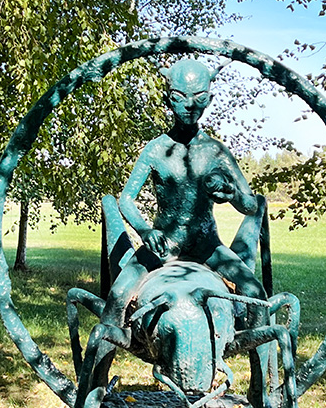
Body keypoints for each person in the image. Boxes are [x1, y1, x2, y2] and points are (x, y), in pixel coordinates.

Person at [102, 58, 268, 325]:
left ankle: (257, 351)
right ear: (167, 100)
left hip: (208, 247)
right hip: (162, 247)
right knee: (118, 295)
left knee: (255, 293)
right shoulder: (156, 149)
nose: (190, 105)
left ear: (209, 100)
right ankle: (104, 351)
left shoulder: (215, 152)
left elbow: (250, 205)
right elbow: (126, 199)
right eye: (180, 97)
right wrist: (145, 231)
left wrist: (231, 193)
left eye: (199, 97)